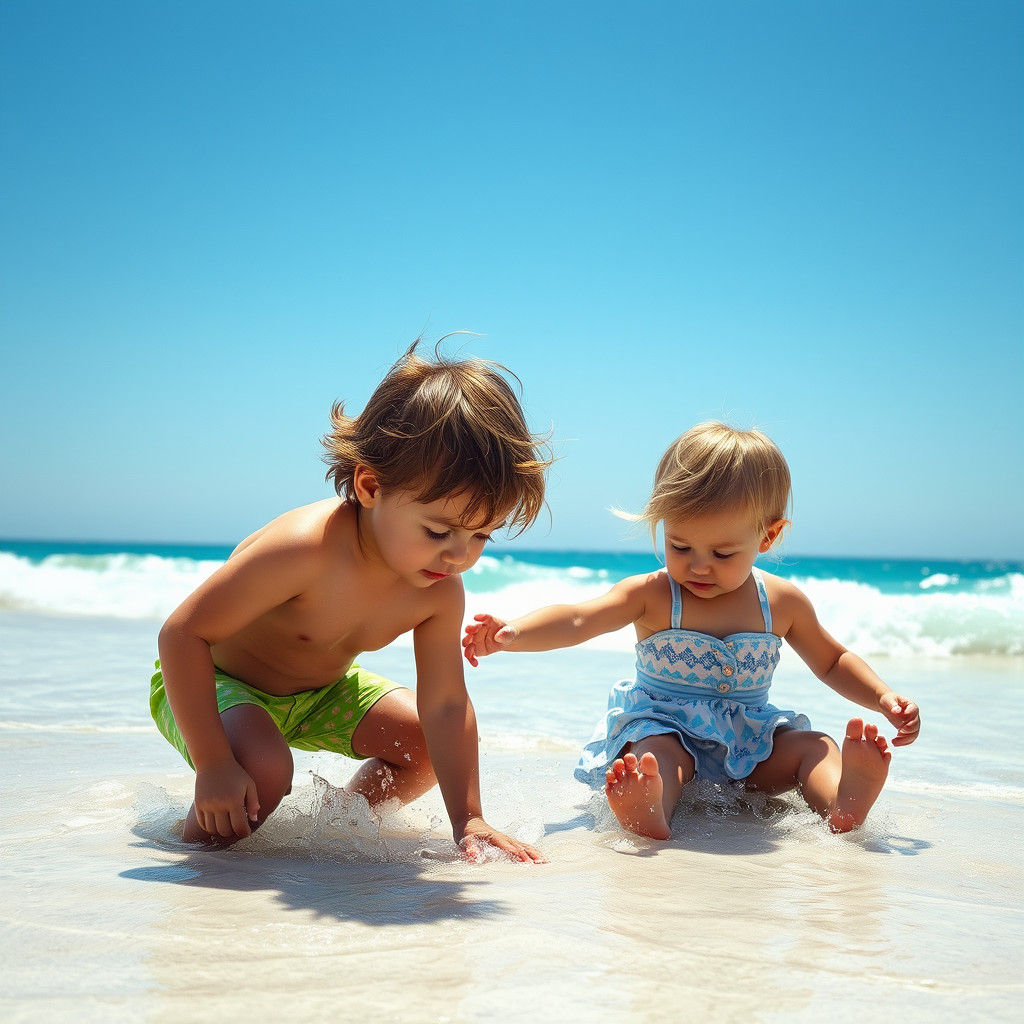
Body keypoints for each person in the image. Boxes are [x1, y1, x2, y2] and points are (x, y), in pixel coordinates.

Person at [151, 340, 550, 861]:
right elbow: (182, 634)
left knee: (426, 744)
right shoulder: (304, 550)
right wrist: (212, 764)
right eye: (437, 531)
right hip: (215, 687)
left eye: (481, 537)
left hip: (322, 693)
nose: (458, 556)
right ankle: (202, 870)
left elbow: (447, 704)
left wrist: (468, 818)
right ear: (369, 486)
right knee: (264, 769)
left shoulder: (437, 589)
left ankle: (332, 826)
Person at [463, 422, 920, 839]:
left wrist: (881, 696)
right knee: (656, 757)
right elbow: (581, 618)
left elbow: (832, 660)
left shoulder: (780, 604)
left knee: (812, 746)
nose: (698, 566)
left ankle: (842, 803)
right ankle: (650, 808)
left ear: (767, 537)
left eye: (723, 554)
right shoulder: (654, 595)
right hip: (667, 731)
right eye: (679, 545)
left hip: (750, 747)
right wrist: (515, 632)